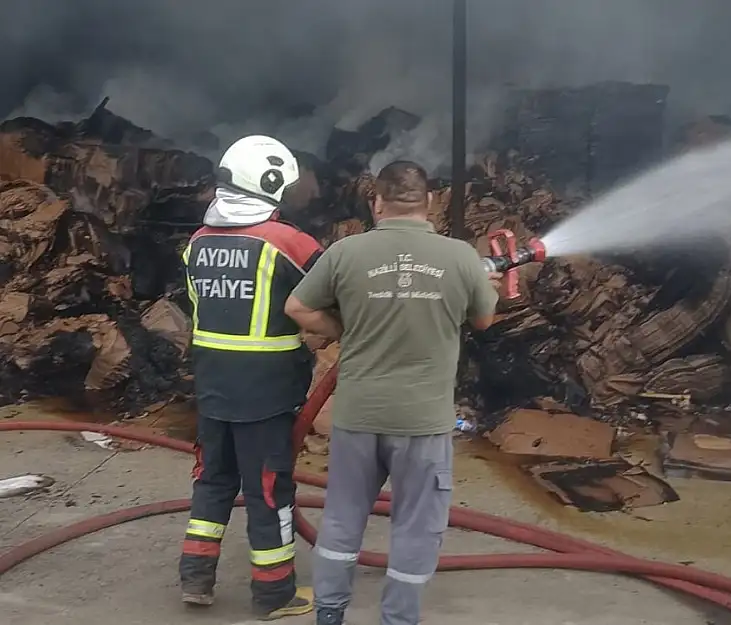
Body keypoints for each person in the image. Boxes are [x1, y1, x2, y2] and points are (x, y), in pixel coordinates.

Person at [284, 160, 501, 625]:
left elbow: (297, 306)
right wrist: (485, 289)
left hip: (359, 416)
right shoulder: (462, 257)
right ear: (431, 203)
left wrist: (340, 326)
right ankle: (397, 620)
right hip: (423, 423)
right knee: (416, 528)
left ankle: (329, 614)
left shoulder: (346, 252)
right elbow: (483, 320)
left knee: (342, 519)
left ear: (377, 202)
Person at [179, 135, 322, 620]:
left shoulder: (197, 243)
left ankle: (195, 578)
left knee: (213, 479)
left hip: (213, 384)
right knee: (268, 490)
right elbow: (333, 291)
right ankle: (275, 592)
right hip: (265, 390)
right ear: (271, 184)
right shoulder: (289, 242)